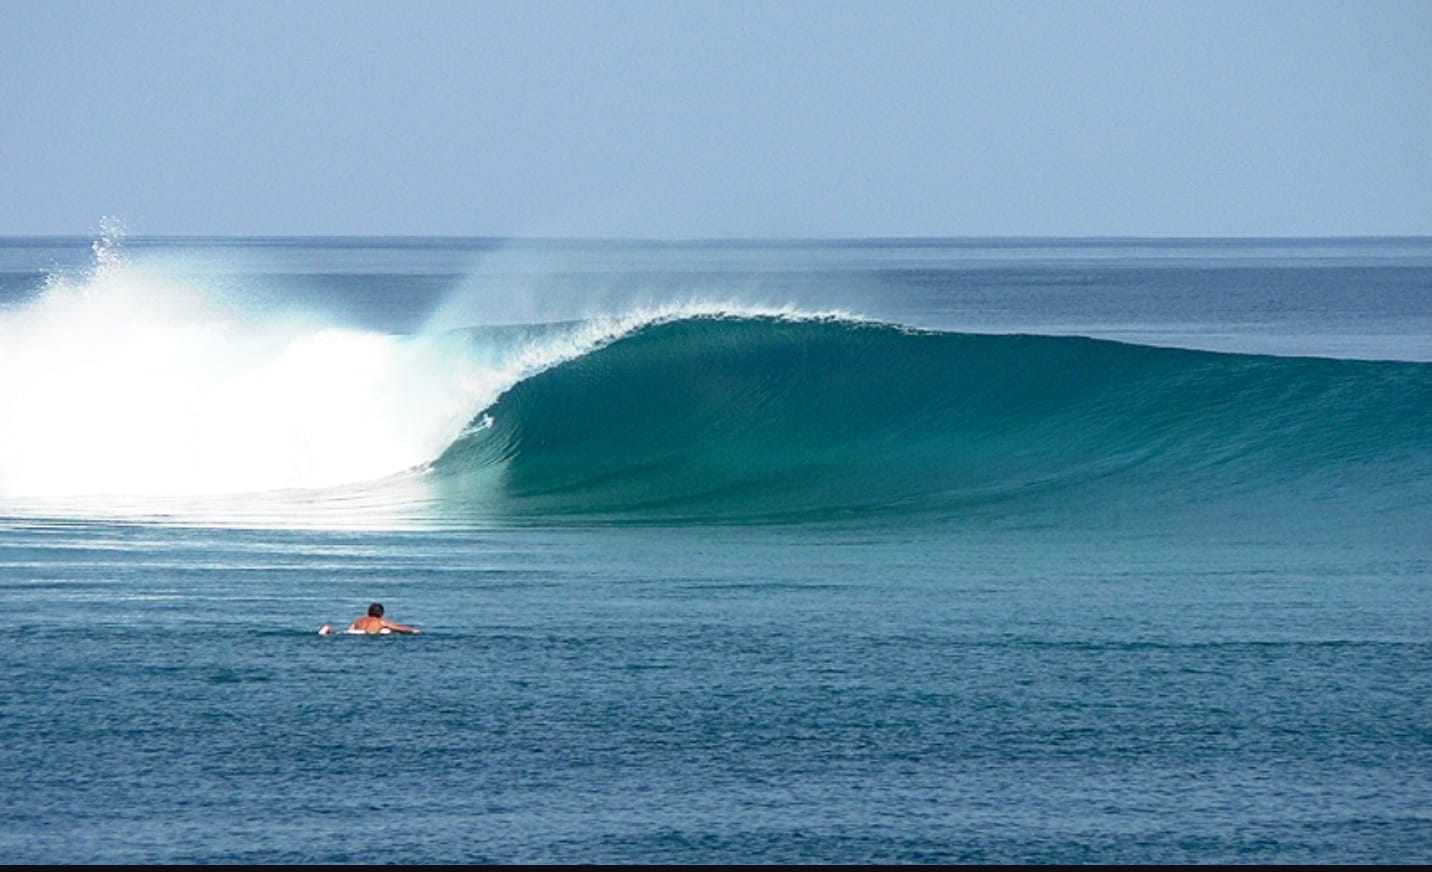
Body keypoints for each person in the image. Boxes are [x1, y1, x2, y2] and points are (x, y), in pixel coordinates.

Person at [318, 602, 420, 636]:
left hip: (355, 633)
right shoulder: (381, 621)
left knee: (338, 634)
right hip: (367, 634)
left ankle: (329, 630)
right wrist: (412, 630)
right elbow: (397, 627)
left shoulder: (359, 620)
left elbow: (351, 629)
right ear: (382, 613)